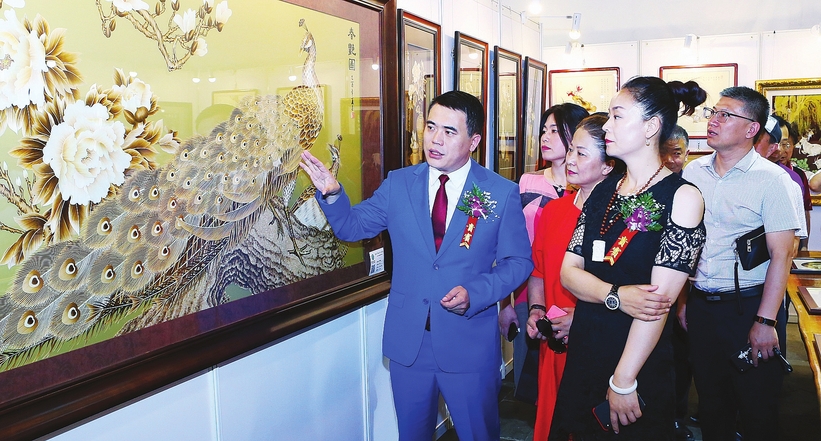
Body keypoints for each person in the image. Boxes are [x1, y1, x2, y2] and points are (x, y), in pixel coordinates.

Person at [299, 90, 533, 441]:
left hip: (467, 344)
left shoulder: (499, 192)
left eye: (449, 132)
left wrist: (476, 292)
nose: (435, 139)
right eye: (431, 127)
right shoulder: (400, 183)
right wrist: (333, 194)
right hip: (410, 343)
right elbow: (353, 226)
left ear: (474, 141)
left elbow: (518, 262)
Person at [549, 76, 707, 440]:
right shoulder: (604, 189)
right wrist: (617, 296)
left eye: (617, 116)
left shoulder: (683, 198)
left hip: (636, 361)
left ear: (651, 127)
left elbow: (655, 306)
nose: (607, 126)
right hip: (586, 346)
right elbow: (569, 271)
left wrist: (623, 380)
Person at [682, 86, 807, 441]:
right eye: (713, 113)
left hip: (750, 305)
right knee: (710, 403)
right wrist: (683, 302)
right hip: (702, 305)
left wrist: (765, 321)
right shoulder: (693, 172)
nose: (714, 120)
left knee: (757, 406)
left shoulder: (774, 180)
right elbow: (686, 246)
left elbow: (782, 255)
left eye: (726, 115)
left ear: (752, 128)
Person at [525, 113, 621, 439]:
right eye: (570, 151)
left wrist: (580, 319)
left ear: (608, 165)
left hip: (597, 342)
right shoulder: (554, 210)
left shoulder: (619, 220)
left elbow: (629, 288)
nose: (570, 160)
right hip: (554, 344)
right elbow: (538, 270)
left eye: (581, 153)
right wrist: (536, 309)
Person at [499, 103, 589, 404]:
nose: (545, 137)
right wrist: (506, 303)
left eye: (555, 131)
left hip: (577, 294)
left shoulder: (590, 189)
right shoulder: (528, 182)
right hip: (531, 290)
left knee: (577, 380)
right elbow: (511, 246)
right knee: (534, 382)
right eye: (543, 130)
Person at [773, 115, 811, 250]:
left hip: (786, 246)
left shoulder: (795, 177)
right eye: (776, 142)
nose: (780, 149)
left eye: (785, 144)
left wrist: (803, 246)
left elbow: (803, 213)